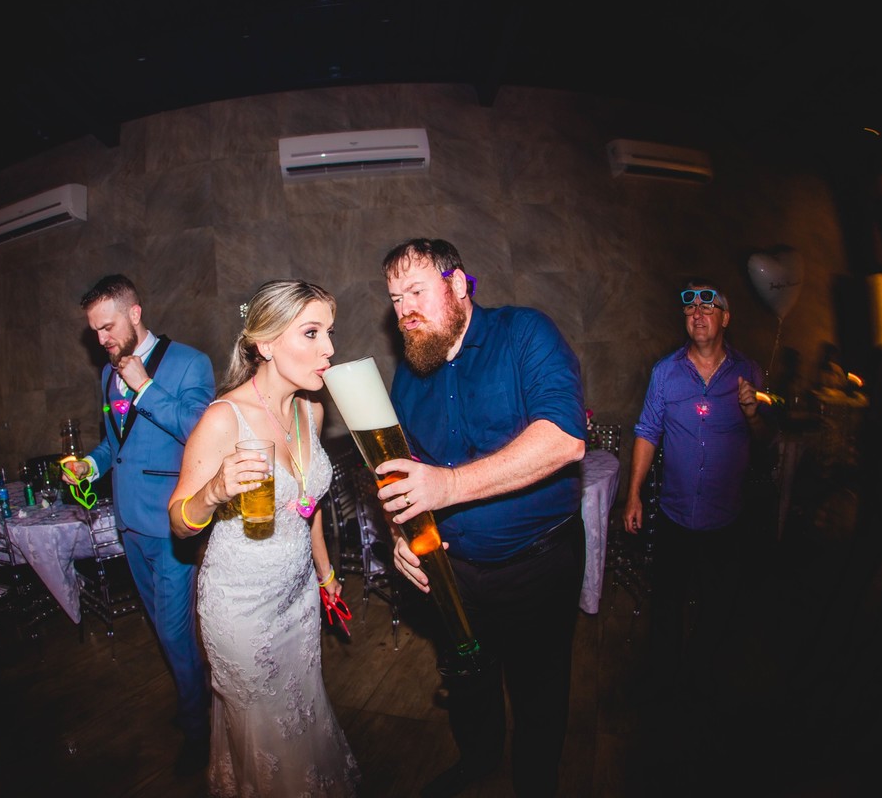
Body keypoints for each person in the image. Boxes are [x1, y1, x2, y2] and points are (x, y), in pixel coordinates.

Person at [375, 239, 587, 798]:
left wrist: (448, 486)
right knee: (468, 678)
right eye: (395, 299)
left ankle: (535, 783)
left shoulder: (524, 334)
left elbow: (564, 439)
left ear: (458, 285)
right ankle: (478, 760)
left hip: (536, 565)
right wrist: (400, 533)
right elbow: (398, 470)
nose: (404, 310)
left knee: (539, 690)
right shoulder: (409, 374)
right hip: (452, 572)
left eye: (416, 291)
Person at [167, 279, 359, 797]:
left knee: (302, 713)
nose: (329, 349)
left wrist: (326, 576)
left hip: (297, 599)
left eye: (330, 333)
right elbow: (179, 522)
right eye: (312, 333)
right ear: (266, 343)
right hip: (242, 609)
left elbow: (307, 506)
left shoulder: (311, 411)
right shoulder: (223, 419)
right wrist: (214, 490)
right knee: (267, 734)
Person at [61, 274, 215, 775]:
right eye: (94, 331)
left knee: (172, 631)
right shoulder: (108, 374)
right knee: (161, 627)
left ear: (134, 313)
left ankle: (199, 730)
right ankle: (195, 697)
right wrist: (90, 465)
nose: (101, 339)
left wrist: (145, 386)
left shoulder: (189, 362)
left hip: (173, 523)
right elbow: (115, 444)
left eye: (107, 327)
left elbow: (201, 429)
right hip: (128, 521)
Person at [622, 282, 769, 720]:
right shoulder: (665, 372)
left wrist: (753, 414)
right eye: (690, 310)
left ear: (726, 318)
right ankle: (661, 682)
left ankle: (700, 682)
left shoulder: (748, 372)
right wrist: (633, 494)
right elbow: (647, 431)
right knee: (666, 605)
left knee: (717, 608)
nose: (698, 315)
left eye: (709, 307)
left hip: (726, 519)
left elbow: (767, 439)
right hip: (674, 514)